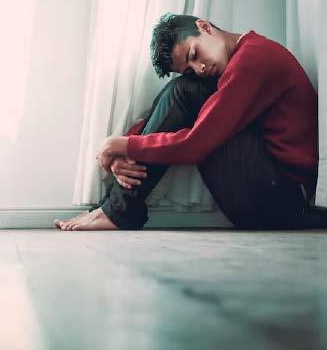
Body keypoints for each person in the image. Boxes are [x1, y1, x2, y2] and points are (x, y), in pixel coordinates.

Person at [54, 13, 326, 231]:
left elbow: (195, 144)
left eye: (194, 55)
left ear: (204, 27)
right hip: (271, 191)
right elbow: (167, 111)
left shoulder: (254, 59)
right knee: (184, 87)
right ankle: (114, 207)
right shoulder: (239, 60)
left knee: (185, 90)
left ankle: (118, 211)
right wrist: (122, 149)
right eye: (189, 68)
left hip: (285, 200)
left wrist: (123, 146)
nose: (200, 69)